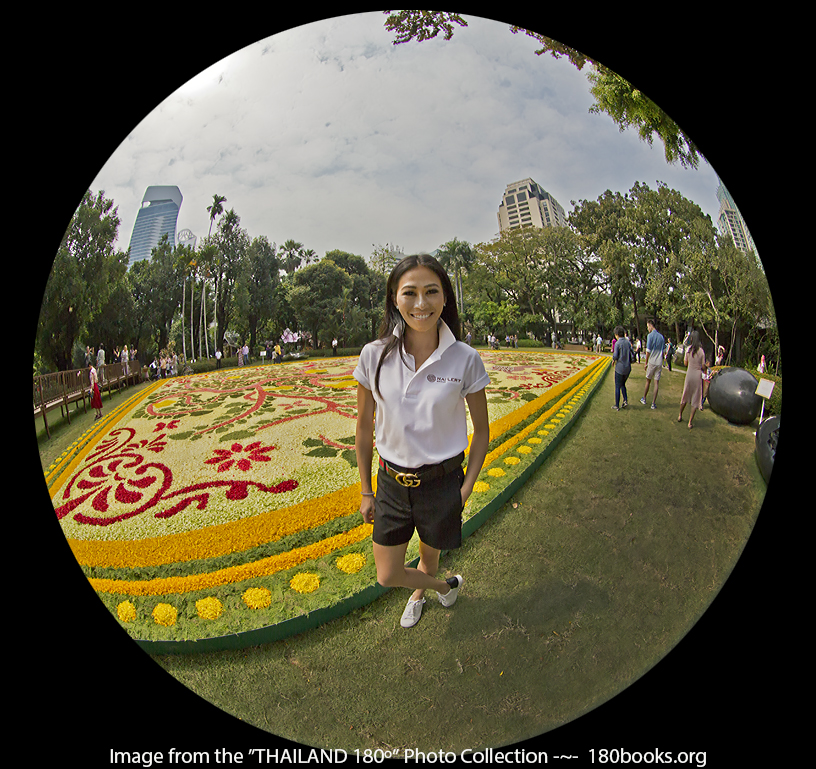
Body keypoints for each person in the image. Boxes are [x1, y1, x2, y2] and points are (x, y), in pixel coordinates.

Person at [354, 254, 491, 629]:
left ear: (445, 298)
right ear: (394, 299)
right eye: (409, 293)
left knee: (428, 557)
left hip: (442, 482)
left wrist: (464, 490)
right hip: (391, 484)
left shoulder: (465, 359)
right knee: (387, 573)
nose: (421, 303)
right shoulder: (374, 355)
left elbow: (482, 431)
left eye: (431, 292)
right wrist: (367, 490)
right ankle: (444, 587)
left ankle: (420, 592)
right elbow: (364, 427)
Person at [678, 331, 705, 429]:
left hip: (689, 374)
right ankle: (689, 422)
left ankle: (680, 414)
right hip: (697, 375)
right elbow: (703, 365)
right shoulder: (701, 351)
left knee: (685, 394)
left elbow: (685, 363)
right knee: (695, 398)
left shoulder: (689, 350)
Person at [640, 319, 664, 409]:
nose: (647, 329)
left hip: (652, 361)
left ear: (650, 325)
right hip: (659, 362)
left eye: (647, 327)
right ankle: (653, 403)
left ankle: (644, 398)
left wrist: (646, 363)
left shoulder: (650, 336)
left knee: (648, 380)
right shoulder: (661, 337)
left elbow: (648, 351)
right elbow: (663, 351)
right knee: (656, 383)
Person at [610, 326, 632, 410]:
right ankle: (625, 400)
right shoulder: (627, 342)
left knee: (617, 386)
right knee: (623, 384)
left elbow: (615, 356)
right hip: (627, 368)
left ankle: (617, 405)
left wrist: (613, 360)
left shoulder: (618, 343)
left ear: (616, 335)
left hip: (620, 368)